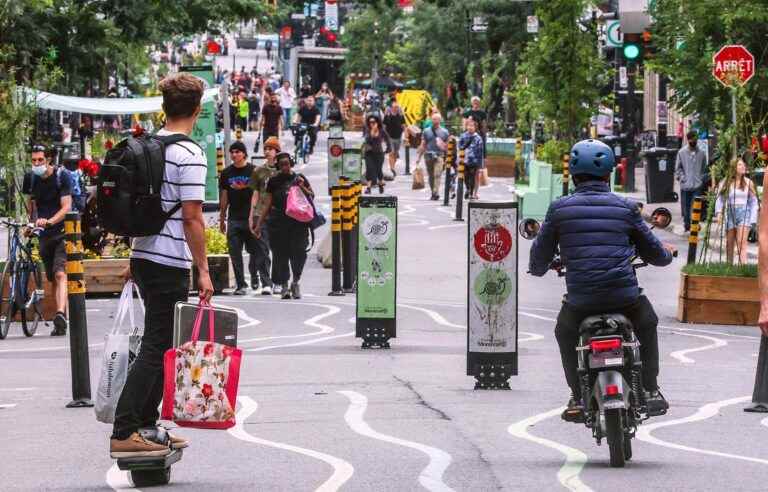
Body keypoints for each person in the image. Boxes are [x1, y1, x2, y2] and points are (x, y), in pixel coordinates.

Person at [528, 139, 676, 422]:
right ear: (610, 173)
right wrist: (667, 256)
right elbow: (654, 253)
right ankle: (650, 388)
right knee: (647, 322)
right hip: (624, 297)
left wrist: (540, 268)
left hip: (581, 300)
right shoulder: (626, 208)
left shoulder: (560, 209)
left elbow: (539, 259)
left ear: (572, 173)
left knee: (564, 331)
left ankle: (576, 395)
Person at [110, 73, 213, 457]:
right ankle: (126, 429)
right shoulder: (190, 154)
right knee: (157, 345)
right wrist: (202, 269)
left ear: (163, 107)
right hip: (169, 260)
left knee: (162, 343)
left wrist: (133, 254)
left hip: (144, 255)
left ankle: (148, 427)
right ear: (197, 111)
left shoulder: (147, 145)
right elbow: (192, 217)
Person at [22, 144, 71, 336]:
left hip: (61, 231)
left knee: (60, 274)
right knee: (52, 277)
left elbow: (66, 206)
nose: (36, 163)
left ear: (48, 159)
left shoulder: (61, 176)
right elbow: (31, 206)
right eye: (33, 160)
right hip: (43, 234)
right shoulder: (31, 178)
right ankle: (62, 317)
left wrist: (50, 221)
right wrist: (31, 224)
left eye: (40, 160)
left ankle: (59, 313)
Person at [253, 153, 314, 300]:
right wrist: (259, 224)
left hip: (299, 224)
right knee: (281, 256)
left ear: (291, 163)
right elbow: (267, 203)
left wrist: (301, 186)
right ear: (278, 166)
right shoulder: (273, 182)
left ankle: (296, 281)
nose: (285, 167)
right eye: (282, 165)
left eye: (287, 164)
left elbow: (311, 195)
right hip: (278, 224)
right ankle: (285, 286)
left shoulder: (300, 178)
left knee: (299, 254)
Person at [219, 141, 260, 295]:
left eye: (237, 152)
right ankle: (241, 284)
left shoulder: (253, 170)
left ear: (244, 153)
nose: (234, 155)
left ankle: (255, 274)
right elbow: (224, 196)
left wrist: (257, 218)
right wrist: (222, 217)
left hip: (250, 218)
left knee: (255, 251)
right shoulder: (226, 173)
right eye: (232, 152)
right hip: (234, 218)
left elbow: (259, 193)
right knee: (235, 253)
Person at [248, 137, 280, 295]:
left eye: (270, 148)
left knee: (280, 250)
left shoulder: (283, 170)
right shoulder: (258, 171)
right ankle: (266, 282)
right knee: (263, 250)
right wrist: (252, 214)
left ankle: (280, 281)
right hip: (261, 214)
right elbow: (255, 194)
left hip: (279, 215)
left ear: (277, 151)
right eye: (265, 148)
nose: (267, 151)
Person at [715, 157, 759, 265]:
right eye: (740, 165)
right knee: (729, 243)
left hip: (744, 213)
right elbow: (719, 199)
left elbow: (754, 201)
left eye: (743, 164)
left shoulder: (748, 182)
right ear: (733, 168)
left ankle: (743, 267)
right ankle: (729, 267)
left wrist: (753, 219)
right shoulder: (726, 182)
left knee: (741, 243)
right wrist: (719, 212)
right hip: (730, 213)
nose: (743, 166)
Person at [675, 130, 708, 231]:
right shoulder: (681, 152)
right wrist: (682, 178)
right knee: (685, 207)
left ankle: (694, 225)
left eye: (695, 139)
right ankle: (687, 224)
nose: (694, 141)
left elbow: (704, 168)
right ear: (688, 139)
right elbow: (678, 168)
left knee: (695, 207)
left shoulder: (702, 154)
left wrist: (701, 178)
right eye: (691, 140)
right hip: (685, 185)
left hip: (697, 185)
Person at [416, 113, 449, 201]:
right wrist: (419, 158)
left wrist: (449, 157)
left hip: (439, 155)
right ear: (431, 120)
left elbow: (447, 146)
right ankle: (433, 192)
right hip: (428, 155)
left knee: (437, 174)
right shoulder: (426, 131)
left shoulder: (445, 132)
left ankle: (436, 192)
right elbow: (423, 144)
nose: (435, 121)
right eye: (433, 119)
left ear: (440, 120)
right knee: (431, 176)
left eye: (437, 119)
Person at [363, 115, 392, 194]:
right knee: (370, 168)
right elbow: (368, 140)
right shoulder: (367, 130)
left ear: (377, 122)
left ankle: (380, 184)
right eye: (370, 122)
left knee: (378, 169)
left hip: (379, 153)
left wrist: (389, 148)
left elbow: (387, 139)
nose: (371, 124)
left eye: (373, 122)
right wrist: (372, 131)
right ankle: (368, 188)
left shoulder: (381, 130)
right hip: (369, 153)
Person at [459, 118, 484, 200]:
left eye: (472, 126)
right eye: (469, 126)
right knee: (465, 176)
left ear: (475, 127)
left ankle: (470, 193)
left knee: (472, 176)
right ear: (466, 127)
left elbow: (480, 151)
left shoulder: (478, 138)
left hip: (474, 161)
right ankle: (467, 188)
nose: (470, 127)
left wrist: (480, 165)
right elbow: (460, 147)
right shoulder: (463, 136)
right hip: (464, 160)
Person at [383, 101, 406, 176]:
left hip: (398, 137)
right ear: (391, 108)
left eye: (397, 107)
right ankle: (392, 169)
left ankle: (393, 165)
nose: (396, 108)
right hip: (390, 137)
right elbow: (384, 126)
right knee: (391, 153)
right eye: (394, 107)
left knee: (395, 153)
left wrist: (405, 135)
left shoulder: (400, 116)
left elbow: (403, 125)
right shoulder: (388, 116)